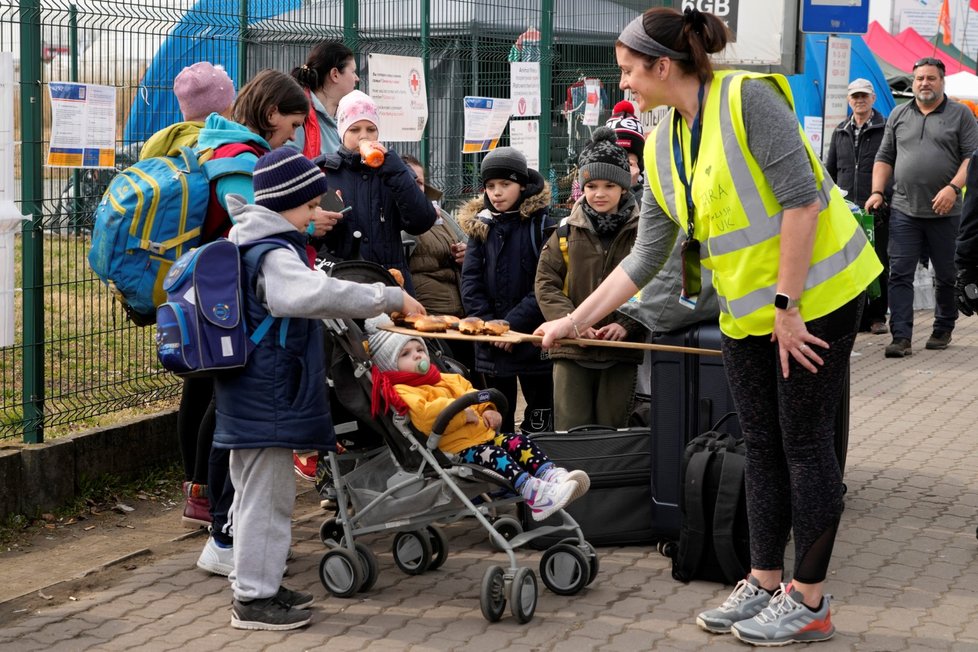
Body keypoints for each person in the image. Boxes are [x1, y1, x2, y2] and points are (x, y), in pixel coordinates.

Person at [535, 7, 881, 646]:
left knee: (803, 445)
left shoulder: (748, 98)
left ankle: (810, 600)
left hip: (816, 300)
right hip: (749, 314)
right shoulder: (664, 140)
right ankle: (763, 579)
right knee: (761, 445)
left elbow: (804, 201)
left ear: (663, 66)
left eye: (629, 71)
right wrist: (574, 322)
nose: (624, 85)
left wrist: (787, 308)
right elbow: (645, 257)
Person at [216, 149, 424, 630]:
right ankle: (253, 599)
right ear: (284, 202)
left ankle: (258, 583)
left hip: (254, 389)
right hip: (267, 389)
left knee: (258, 494)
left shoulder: (257, 240)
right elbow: (308, 294)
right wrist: (386, 296)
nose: (315, 215)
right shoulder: (271, 250)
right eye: (309, 207)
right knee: (267, 496)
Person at [193, 69, 336, 576]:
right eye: (294, 123)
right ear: (272, 113)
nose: (296, 134)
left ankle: (239, 544)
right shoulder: (240, 158)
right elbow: (252, 227)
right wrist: (310, 221)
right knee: (236, 439)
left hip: (239, 315)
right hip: (238, 320)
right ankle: (228, 539)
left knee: (232, 433)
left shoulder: (239, 150)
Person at [136, 61, 236, 529]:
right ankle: (202, 492)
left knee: (195, 383)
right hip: (211, 275)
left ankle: (191, 488)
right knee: (215, 379)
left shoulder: (163, 141)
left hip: (169, 274)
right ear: (223, 100)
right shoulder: (214, 144)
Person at [363, 314, 587, 521]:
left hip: (482, 437)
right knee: (497, 455)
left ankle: (551, 476)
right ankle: (534, 494)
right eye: (406, 354)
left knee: (519, 441)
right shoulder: (402, 391)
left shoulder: (445, 379)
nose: (417, 355)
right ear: (390, 365)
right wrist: (463, 414)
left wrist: (488, 408)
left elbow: (473, 395)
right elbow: (425, 417)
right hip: (456, 449)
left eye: (419, 349)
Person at [865, 57, 978, 358]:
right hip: (903, 209)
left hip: (947, 212)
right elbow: (884, 156)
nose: (924, 83)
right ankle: (901, 336)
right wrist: (877, 191)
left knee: (946, 274)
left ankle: (943, 326)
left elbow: (972, 158)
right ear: (913, 82)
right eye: (919, 78)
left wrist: (953, 188)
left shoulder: (961, 115)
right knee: (899, 273)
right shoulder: (899, 114)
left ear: (942, 81)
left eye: (931, 78)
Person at [535, 127, 645, 429]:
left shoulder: (644, 233)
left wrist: (627, 324)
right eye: (592, 185)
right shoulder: (565, 230)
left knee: (614, 431)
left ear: (624, 186)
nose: (599, 193)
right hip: (570, 350)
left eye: (609, 185)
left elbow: (652, 283)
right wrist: (569, 322)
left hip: (621, 350)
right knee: (571, 432)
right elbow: (546, 282)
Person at [459, 147, 555, 434]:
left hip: (530, 338)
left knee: (539, 418)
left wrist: (511, 326)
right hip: (490, 342)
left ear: (522, 185)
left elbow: (545, 283)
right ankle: (503, 472)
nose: (497, 193)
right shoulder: (481, 226)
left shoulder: (542, 225)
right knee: (496, 418)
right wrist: (489, 327)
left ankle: (540, 467)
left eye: (505, 184)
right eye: (490, 186)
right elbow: (470, 282)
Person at [315, 90, 437, 295]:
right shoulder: (324, 171)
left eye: (371, 129)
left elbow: (422, 221)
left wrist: (396, 170)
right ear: (341, 132)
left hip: (391, 284)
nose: (364, 136)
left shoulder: (394, 170)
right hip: (341, 284)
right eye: (355, 129)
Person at [825, 78, 891, 336]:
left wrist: (884, 196)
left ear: (873, 98)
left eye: (864, 96)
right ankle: (854, 317)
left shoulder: (885, 129)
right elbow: (830, 170)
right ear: (849, 100)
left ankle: (877, 317)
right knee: (848, 263)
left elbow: (891, 164)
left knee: (877, 262)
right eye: (855, 96)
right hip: (846, 208)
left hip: (875, 207)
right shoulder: (840, 130)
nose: (859, 100)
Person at [402, 154, 477, 378]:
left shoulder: (440, 213)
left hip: (459, 315)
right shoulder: (395, 214)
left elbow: (468, 242)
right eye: (409, 181)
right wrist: (416, 218)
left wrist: (467, 254)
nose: (416, 187)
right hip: (428, 318)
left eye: (420, 181)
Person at [139, 61, 235, 161]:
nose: (232, 105)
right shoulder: (222, 148)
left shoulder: (160, 142)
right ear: (223, 107)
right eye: (230, 100)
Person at [289, 41, 358, 158]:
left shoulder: (345, 118)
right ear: (335, 74)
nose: (357, 78)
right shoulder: (299, 116)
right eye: (353, 72)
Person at [604, 99, 646, 201]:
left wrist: (633, 186)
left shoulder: (648, 186)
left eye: (629, 152)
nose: (623, 160)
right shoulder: (598, 179)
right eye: (617, 152)